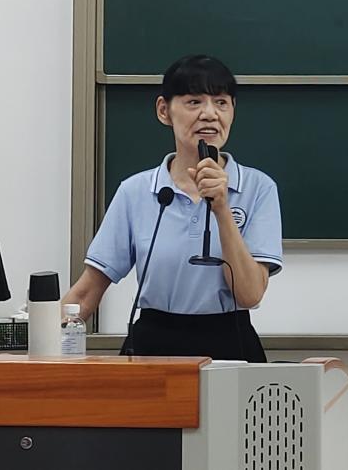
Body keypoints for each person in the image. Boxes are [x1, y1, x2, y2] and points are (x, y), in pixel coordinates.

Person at [64, 55, 282, 361]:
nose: (210, 114)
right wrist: (38, 344)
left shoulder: (258, 188)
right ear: (164, 110)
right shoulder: (136, 191)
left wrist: (222, 209)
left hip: (230, 342)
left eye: (221, 102)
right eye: (194, 102)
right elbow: (87, 291)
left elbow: (249, 294)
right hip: (154, 342)